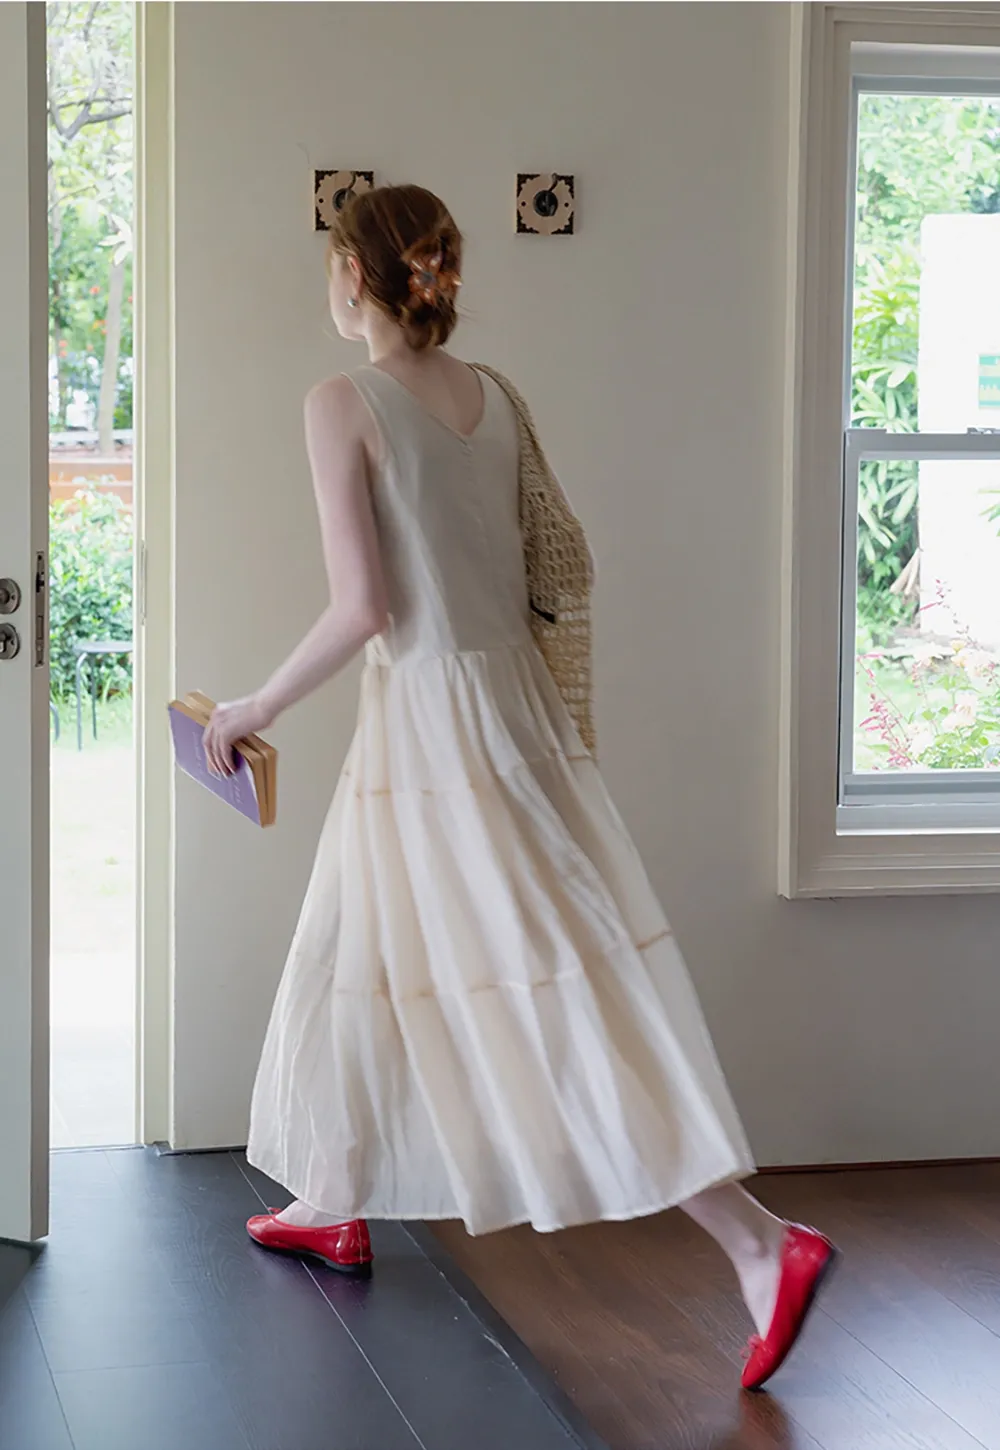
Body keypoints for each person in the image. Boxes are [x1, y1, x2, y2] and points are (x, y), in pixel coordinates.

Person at [203, 184, 836, 1392]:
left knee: (552, 997)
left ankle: (760, 1243)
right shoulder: (494, 396)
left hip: (434, 725)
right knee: (355, 940)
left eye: (332, 265)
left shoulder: (340, 402)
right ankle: (331, 1195)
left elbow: (365, 607)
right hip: (510, 715)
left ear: (353, 276)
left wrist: (250, 708)